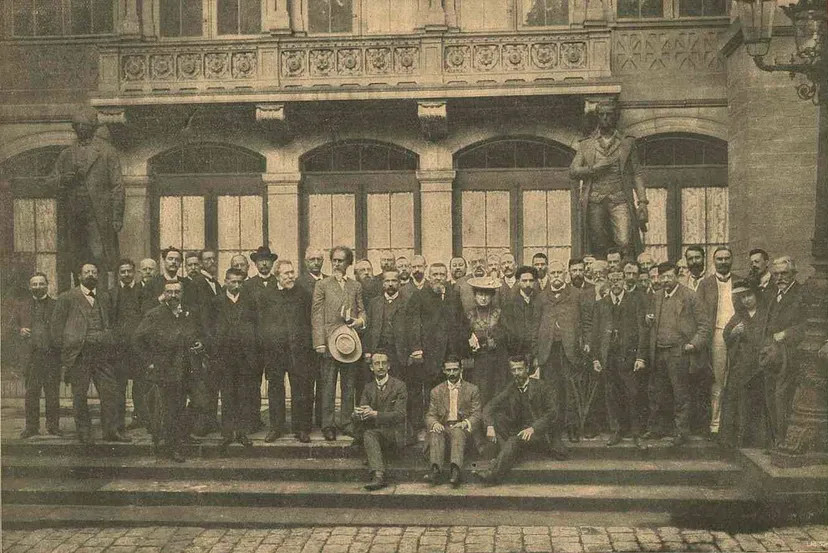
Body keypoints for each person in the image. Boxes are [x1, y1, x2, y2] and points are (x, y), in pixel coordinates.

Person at [51, 262, 125, 444]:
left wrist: (108, 338)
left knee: (109, 393)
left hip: (102, 354)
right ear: (79, 276)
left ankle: (111, 431)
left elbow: (111, 322)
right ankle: (84, 432)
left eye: (93, 272)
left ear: (98, 276)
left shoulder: (104, 297)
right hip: (79, 354)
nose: (90, 275)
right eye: (87, 272)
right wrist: (67, 352)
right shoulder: (67, 298)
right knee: (79, 395)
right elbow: (56, 329)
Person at [133, 281, 206, 462]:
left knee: (200, 402)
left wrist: (200, 343)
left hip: (188, 368)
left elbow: (198, 333)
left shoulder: (188, 313)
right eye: (169, 292)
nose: (173, 295)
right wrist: (150, 362)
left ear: (182, 293)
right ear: (164, 294)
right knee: (171, 409)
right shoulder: (155, 315)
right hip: (167, 370)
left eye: (177, 292)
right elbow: (137, 339)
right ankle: (173, 446)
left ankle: (182, 434)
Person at [49, 108, 124, 284]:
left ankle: (102, 297)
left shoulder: (107, 152)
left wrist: (117, 217)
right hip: (73, 214)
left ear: (93, 127)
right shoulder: (66, 154)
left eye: (85, 126)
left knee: (100, 256)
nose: (81, 129)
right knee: (76, 256)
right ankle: (79, 296)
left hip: (98, 214)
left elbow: (118, 186)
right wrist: (63, 179)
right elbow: (50, 181)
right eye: (78, 126)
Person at [569, 101, 649, 259]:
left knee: (625, 242)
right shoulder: (587, 144)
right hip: (595, 200)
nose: (605, 118)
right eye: (602, 114)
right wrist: (593, 170)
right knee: (598, 243)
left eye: (609, 114)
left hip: (620, 198)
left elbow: (637, 173)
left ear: (616, 117)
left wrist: (642, 202)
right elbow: (573, 171)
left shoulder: (627, 143)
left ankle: (625, 274)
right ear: (597, 117)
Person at [644, 262, 709, 446]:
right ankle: (657, 429)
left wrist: (693, 345)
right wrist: (648, 321)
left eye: (668, 276)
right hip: (659, 352)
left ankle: (682, 432)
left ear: (677, 276)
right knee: (657, 393)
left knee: (680, 393)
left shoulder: (690, 296)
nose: (665, 280)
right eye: (661, 277)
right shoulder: (656, 297)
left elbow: (704, 326)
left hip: (679, 352)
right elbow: (651, 323)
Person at [407, 263, 470, 440]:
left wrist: (465, 344)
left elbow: (462, 321)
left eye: (442, 274)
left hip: (450, 354)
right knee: (430, 391)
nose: (438, 278)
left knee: (450, 389)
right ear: (429, 276)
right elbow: (413, 325)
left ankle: (449, 425)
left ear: (446, 276)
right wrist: (416, 348)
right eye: (434, 274)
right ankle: (429, 426)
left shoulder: (452, 296)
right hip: (429, 353)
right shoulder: (419, 296)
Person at [472, 356, 557, 485]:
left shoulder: (542, 386)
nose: (517, 373)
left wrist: (533, 428)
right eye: (513, 370)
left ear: (527, 369)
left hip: (538, 433)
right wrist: (489, 426)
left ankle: (492, 474)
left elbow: (552, 413)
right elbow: (489, 406)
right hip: (519, 432)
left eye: (520, 369)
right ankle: (508, 454)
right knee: (497, 418)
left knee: (513, 440)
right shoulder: (511, 387)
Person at [312, 246, 366, 441]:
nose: (336, 264)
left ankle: (346, 422)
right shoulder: (322, 285)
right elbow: (317, 315)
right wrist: (319, 342)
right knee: (327, 385)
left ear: (348, 263)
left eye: (341, 261)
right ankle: (328, 424)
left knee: (348, 385)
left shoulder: (355, 286)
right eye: (334, 260)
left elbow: (362, 311)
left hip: (349, 343)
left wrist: (358, 322)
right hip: (328, 342)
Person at [591, 270, 649, 449]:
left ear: (624, 281)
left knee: (633, 394)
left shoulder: (635, 302)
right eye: (612, 280)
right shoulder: (601, 304)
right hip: (609, 357)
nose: (615, 283)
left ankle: (636, 433)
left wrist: (640, 356)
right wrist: (595, 358)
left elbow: (643, 331)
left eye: (618, 280)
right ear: (608, 282)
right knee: (611, 395)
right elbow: (595, 333)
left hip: (629, 357)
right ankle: (615, 430)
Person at [258, 260, 315, 443]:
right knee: (275, 389)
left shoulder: (303, 294)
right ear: (277, 276)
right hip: (275, 352)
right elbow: (261, 324)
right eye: (286, 274)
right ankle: (276, 427)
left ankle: (301, 428)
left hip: (298, 350)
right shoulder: (266, 295)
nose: (291, 277)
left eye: (292, 273)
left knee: (301, 389)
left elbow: (309, 321)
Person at [532, 260, 585, 450]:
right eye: (552, 273)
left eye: (559, 273)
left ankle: (572, 427)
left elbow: (585, 323)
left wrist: (583, 345)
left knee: (570, 390)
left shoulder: (576, 295)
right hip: (548, 351)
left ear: (565, 275)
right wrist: (535, 354)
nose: (555, 277)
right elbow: (534, 326)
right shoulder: (541, 297)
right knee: (552, 391)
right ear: (548, 275)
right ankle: (554, 430)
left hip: (569, 350)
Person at [205, 268, 258, 450]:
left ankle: (242, 433)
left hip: (245, 357)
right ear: (226, 281)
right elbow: (209, 329)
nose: (236, 285)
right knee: (227, 395)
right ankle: (227, 433)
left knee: (244, 395)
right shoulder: (215, 302)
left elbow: (256, 327)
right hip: (224, 357)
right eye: (233, 282)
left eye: (240, 282)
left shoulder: (250, 302)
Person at [694, 246, 741, 438]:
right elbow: (700, 314)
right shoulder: (705, 284)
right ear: (714, 262)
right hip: (717, 334)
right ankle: (716, 424)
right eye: (719, 259)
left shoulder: (739, 281)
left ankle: (734, 424)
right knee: (718, 380)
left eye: (726, 258)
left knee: (736, 377)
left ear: (732, 260)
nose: (723, 262)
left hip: (738, 333)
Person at [762, 256, 808, 446]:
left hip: (790, 354)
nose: (780, 278)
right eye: (776, 274)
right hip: (772, 354)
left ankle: (784, 441)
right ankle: (775, 441)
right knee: (770, 395)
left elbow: (809, 324)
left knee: (783, 397)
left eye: (784, 273)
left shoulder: (801, 294)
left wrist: (787, 333)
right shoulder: (775, 296)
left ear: (794, 274)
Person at [720, 282, 770, 448]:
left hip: (760, 365)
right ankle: (737, 441)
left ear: (756, 295)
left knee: (757, 403)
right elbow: (727, 334)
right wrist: (734, 333)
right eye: (742, 297)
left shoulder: (765, 314)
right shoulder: (738, 316)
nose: (746, 300)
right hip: (741, 366)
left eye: (749, 295)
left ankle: (757, 441)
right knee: (738, 402)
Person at [11, 273, 60, 438]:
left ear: (48, 285)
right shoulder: (22, 306)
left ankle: (53, 426)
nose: (38, 287)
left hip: (52, 355)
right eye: (34, 284)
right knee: (32, 393)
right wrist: (19, 330)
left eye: (41, 284)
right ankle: (31, 427)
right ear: (29, 286)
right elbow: (10, 328)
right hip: (32, 358)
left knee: (52, 392)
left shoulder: (57, 305)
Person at [353, 351, 407, 491]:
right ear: (371, 367)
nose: (381, 366)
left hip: (395, 432)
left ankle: (378, 474)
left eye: (384, 363)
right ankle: (378, 473)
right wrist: (359, 413)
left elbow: (400, 415)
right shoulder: (368, 387)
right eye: (377, 363)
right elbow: (363, 408)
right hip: (378, 431)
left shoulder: (399, 386)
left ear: (389, 366)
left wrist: (375, 414)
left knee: (369, 435)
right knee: (365, 431)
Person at [424, 357, 481, 488]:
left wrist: (465, 422)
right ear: (444, 371)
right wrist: (435, 423)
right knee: (436, 431)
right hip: (444, 426)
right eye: (448, 370)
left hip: (463, 428)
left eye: (455, 369)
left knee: (457, 431)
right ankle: (435, 470)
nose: (452, 373)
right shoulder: (436, 391)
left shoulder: (472, 389)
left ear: (461, 370)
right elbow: (430, 415)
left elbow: (477, 414)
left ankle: (455, 470)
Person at [364, 269, 411, 402]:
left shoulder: (407, 302)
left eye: (394, 281)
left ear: (400, 283)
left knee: (398, 385)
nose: (390, 284)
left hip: (399, 352)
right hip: (378, 350)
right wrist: (368, 351)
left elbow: (412, 329)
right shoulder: (374, 303)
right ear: (382, 284)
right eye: (387, 281)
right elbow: (369, 328)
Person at [110, 258, 144, 433]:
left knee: (141, 384)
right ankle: (119, 422)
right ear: (118, 274)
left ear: (134, 272)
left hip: (139, 347)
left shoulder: (143, 291)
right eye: (122, 272)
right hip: (119, 349)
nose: (126, 274)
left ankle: (141, 418)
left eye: (129, 271)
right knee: (119, 386)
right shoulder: (112, 293)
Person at [296, 246, 327, 428]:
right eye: (312, 259)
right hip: (306, 342)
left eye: (319, 259)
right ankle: (305, 425)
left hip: (326, 340)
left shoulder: (330, 281)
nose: (316, 262)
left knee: (324, 382)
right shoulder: (299, 283)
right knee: (306, 384)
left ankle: (323, 422)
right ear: (306, 262)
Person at [466, 276, 508, 407]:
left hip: (496, 359)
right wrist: (470, 339)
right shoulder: (469, 314)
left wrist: (496, 339)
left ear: (492, 296)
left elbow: (506, 334)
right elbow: (463, 334)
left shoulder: (499, 313)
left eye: (487, 295)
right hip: (477, 360)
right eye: (480, 294)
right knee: (478, 392)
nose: (483, 298)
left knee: (496, 391)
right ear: (475, 295)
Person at [502, 266, 540, 359]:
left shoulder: (541, 300)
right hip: (517, 349)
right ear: (518, 282)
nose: (528, 284)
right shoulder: (510, 303)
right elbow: (508, 328)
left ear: (535, 282)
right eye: (524, 280)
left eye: (531, 281)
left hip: (537, 348)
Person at [142, 247, 183, 313]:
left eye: (177, 260)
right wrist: (160, 299)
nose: (173, 262)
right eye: (170, 259)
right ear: (163, 261)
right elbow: (144, 308)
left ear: (180, 263)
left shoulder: (187, 283)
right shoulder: (151, 283)